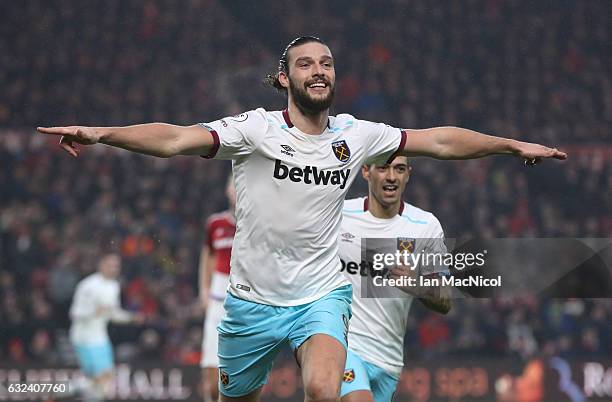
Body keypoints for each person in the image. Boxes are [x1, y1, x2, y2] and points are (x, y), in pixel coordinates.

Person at [38, 36, 566, 402]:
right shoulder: (255, 130)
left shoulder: (356, 136)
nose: (319, 71)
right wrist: (103, 134)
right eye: (307, 64)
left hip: (320, 295)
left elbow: (440, 140)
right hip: (250, 301)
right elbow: (176, 138)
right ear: (284, 77)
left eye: (327, 63)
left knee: (321, 389)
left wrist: (509, 145)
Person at [338, 156, 450, 402]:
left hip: (388, 360)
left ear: (408, 174)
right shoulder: (340, 214)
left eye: (399, 169)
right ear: (366, 171)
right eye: (383, 168)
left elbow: (445, 299)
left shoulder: (425, 226)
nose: (391, 176)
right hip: (343, 346)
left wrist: (418, 286)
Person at [69, 252, 143, 402]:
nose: (114, 269)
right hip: (84, 337)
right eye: (111, 265)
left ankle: (69, 390)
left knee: (101, 380)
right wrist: (94, 311)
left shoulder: (114, 286)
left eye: (116, 266)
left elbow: (112, 313)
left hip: (99, 337)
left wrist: (131, 318)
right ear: (101, 265)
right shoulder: (87, 285)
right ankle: (67, 390)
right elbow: (75, 313)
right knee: (103, 376)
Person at [200, 175, 236, 402]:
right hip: (217, 300)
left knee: (238, 379)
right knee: (212, 384)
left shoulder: (258, 222)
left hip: (246, 303)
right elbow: (208, 257)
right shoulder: (215, 223)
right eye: (232, 184)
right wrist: (203, 290)